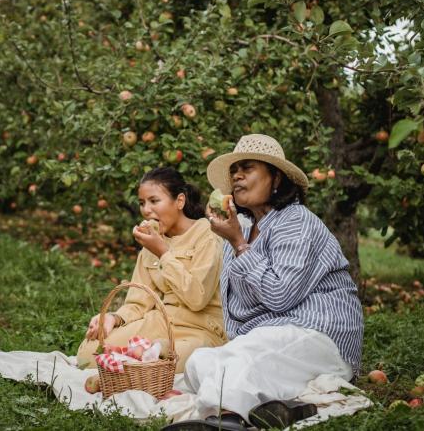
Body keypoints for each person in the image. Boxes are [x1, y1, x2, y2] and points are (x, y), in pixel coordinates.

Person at [163, 134, 364, 431]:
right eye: (234, 170)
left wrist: (239, 244)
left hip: (319, 334)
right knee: (199, 362)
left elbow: (280, 295)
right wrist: (235, 239)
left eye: (247, 168)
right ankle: (289, 408)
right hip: (270, 334)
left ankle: (226, 420)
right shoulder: (243, 227)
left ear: (276, 178)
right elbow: (237, 307)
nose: (237, 176)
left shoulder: (295, 221)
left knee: (242, 362)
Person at [76, 167, 227, 374]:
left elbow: (197, 298)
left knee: (164, 362)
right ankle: (142, 356)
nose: (146, 210)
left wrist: (163, 253)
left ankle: (146, 357)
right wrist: (114, 318)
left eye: (154, 201)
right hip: (161, 323)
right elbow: (139, 302)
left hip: (199, 331)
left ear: (180, 201)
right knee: (88, 353)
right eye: (142, 203)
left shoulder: (207, 235)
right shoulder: (152, 242)